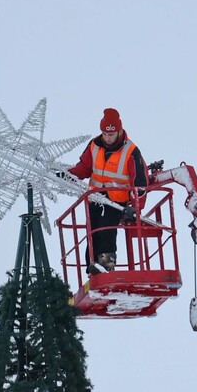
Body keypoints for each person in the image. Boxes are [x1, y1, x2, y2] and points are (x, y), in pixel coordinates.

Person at [64, 108, 148, 274]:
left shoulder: (131, 152)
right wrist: (67, 175)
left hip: (115, 201)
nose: (108, 138)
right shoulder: (94, 145)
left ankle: (106, 266)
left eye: (111, 134)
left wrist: (135, 207)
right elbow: (84, 168)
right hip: (94, 198)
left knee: (106, 230)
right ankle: (92, 269)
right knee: (92, 233)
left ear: (119, 131)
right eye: (105, 134)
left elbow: (140, 184)